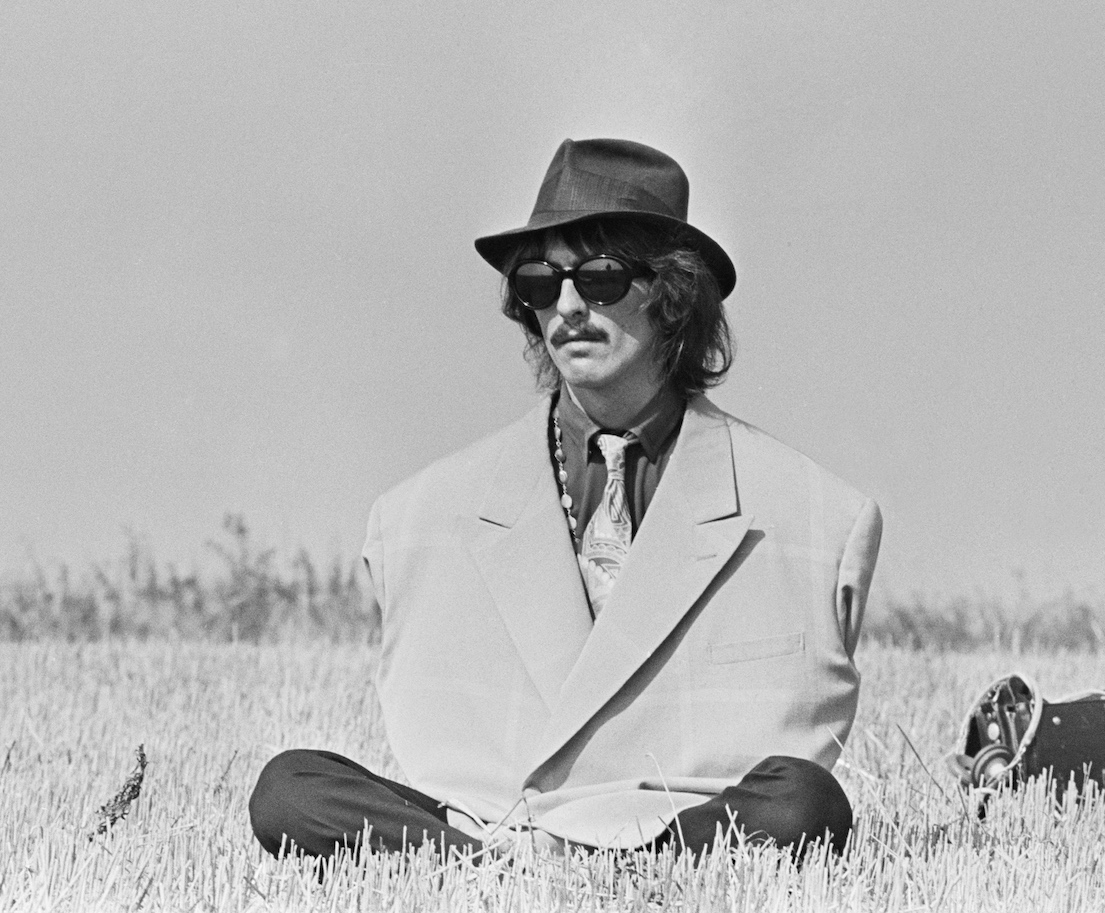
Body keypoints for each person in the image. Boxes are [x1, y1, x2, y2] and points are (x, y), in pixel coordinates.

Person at [248, 138, 883, 862]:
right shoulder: (413, 515)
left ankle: (578, 870)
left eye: (603, 277)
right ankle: (507, 869)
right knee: (288, 788)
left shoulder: (818, 513)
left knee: (806, 803)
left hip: (668, 830)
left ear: (675, 294)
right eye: (541, 282)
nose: (569, 306)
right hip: (483, 827)